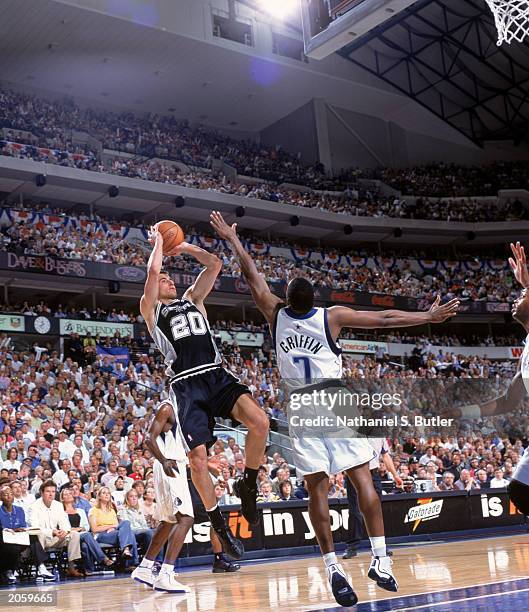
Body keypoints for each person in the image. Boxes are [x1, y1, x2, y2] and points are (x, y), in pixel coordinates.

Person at [211, 210, 459, 606]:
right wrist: (427, 316)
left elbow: (251, 274)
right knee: (363, 482)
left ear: (287, 298)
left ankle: (333, 568)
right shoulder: (332, 316)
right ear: (314, 300)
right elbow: (383, 318)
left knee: (318, 491)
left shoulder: (275, 315)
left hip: (303, 409)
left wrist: (233, 238)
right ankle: (380, 560)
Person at [139, 227, 269, 561]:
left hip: (215, 374)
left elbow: (213, 264)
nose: (168, 280)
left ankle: (248, 484)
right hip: (185, 383)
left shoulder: (193, 300)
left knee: (260, 423)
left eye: (170, 278)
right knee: (197, 460)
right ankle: (218, 523)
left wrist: (183, 246)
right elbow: (153, 271)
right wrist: (158, 244)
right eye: (164, 278)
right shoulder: (152, 311)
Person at [450, 242, 529, 515]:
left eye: (521, 297)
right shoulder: (525, 352)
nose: (515, 301)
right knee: (519, 489)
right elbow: (507, 401)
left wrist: (528, 286)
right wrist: (463, 411)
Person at [131, 401, 194, 592]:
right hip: (169, 465)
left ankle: (145, 567)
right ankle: (166, 574)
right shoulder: (167, 408)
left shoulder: (184, 409)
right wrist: (164, 460)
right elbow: (149, 438)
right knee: (186, 518)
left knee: (168, 520)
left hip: (175, 464)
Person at [343, 439, 403, 559]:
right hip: (355, 474)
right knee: (355, 511)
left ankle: (380, 546)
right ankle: (352, 546)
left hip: (373, 473)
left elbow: (385, 456)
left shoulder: (379, 434)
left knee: (376, 512)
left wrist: (395, 475)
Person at [27, 480, 83, 578]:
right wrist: (52, 532)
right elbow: (35, 527)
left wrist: (64, 531)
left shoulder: (58, 505)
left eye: (53, 492)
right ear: (42, 493)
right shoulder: (34, 507)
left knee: (74, 534)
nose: (51, 494)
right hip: (42, 539)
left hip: (56, 539)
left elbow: (65, 523)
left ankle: (71, 567)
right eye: (48, 491)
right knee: (38, 534)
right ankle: (41, 566)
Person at [0, 483, 54, 583]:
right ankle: (9, 571)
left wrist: (21, 530)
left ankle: (41, 567)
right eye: (5, 494)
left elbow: (23, 526)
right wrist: (7, 530)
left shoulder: (20, 510)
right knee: (12, 547)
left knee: (33, 537)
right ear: (1, 497)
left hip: (19, 538)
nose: (9, 496)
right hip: (5, 541)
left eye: (11, 494)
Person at [60, 487, 114, 574]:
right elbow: (63, 528)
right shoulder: (60, 512)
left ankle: (89, 570)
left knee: (85, 544)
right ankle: (103, 558)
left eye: (70, 494)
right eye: (66, 494)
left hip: (82, 534)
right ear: (62, 498)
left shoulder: (80, 511)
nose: (69, 495)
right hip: (70, 536)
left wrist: (80, 529)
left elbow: (86, 526)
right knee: (87, 535)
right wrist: (75, 530)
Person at [88, 487, 139, 567]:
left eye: (108, 493)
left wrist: (113, 528)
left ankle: (126, 550)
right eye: (104, 493)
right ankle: (131, 562)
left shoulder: (111, 510)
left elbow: (117, 525)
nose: (106, 495)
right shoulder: (93, 510)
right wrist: (111, 526)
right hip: (100, 535)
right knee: (130, 534)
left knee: (126, 523)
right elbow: (94, 529)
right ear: (99, 496)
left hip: (113, 533)